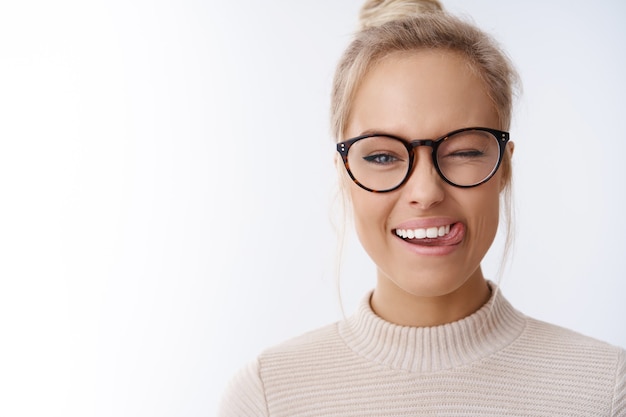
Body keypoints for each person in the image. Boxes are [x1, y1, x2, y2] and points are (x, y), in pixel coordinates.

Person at [218, 0, 626, 415]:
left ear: (504, 168)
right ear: (344, 173)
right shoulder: (268, 396)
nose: (426, 191)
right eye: (382, 157)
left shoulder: (605, 387)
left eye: (464, 151)